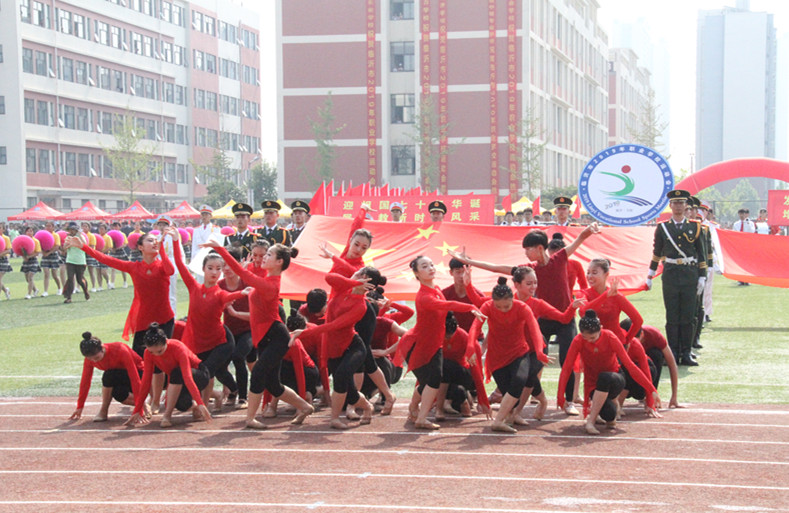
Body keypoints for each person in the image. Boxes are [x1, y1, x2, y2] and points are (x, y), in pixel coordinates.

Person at [449, 222, 601, 415]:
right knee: (529, 355)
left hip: (564, 318)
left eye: (528, 250)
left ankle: (568, 401)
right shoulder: (528, 269)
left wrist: (588, 230)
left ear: (539, 248)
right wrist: (471, 262)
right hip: (541, 318)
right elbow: (497, 268)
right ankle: (525, 392)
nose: (526, 254)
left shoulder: (560, 258)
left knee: (567, 359)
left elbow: (578, 240)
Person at [205, 239, 314, 429]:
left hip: (276, 337)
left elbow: (242, 273)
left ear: (279, 262)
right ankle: (305, 407)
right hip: (264, 337)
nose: (264, 257)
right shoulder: (265, 277)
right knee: (273, 385)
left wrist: (220, 250)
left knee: (257, 375)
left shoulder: (270, 284)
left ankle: (250, 419)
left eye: (269, 255)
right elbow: (248, 272)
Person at [66, 226, 174, 410]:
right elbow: (105, 259)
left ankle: (156, 401)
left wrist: (163, 246)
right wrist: (83, 247)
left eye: (156, 240)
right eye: (150, 240)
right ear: (140, 247)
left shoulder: (162, 265)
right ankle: (147, 399)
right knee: (142, 362)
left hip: (164, 319)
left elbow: (171, 269)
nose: (154, 242)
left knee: (160, 361)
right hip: (142, 322)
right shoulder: (133, 267)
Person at [395, 255, 485, 429]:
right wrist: (470, 307)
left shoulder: (436, 288)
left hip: (434, 344)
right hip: (420, 344)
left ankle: (415, 410)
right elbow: (446, 305)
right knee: (433, 380)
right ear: (417, 273)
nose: (430, 268)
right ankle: (420, 417)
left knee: (431, 380)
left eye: (431, 264)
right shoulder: (424, 296)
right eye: (424, 266)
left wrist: (468, 287)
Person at [168, 227, 250, 409]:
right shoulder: (194, 287)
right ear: (203, 269)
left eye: (218, 269)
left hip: (220, 340)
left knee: (208, 372)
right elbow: (180, 265)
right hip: (197, 339)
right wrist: (175, 241)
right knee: (219, 372)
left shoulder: (219, 292)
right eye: (210, 268)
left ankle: (204, 405)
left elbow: (229, 297)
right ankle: (229, 392)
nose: (215, 272)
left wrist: (242, 293)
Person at [290, 269, 378, 429]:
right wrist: (355, 282)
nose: (354, 276)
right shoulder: (341, 288)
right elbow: (330, 277)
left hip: (353, 346)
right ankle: (367, 407)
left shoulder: (361, 306)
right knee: (350, 393)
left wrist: (305, 332)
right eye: (356, 273)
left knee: (341, 376)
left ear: (368, 285)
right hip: (333, 347)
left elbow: (334, 326)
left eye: (360, 277)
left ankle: (335, 418)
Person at [557, 310, 662, 435]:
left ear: (600, 329)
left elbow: (630, 366)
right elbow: (566, 369)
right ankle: (610, 410)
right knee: (609, 415)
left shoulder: (610, 337)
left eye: (593, 337)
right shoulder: (578, 341)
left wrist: (651, 390)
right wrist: (560, 397)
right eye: (586, 337)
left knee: (604, 377)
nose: (589, 341)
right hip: (594, 384)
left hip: (615, 378)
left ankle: (590, 421)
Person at [467, 277, 546, 432]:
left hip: (519, 352)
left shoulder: (522, 307)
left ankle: (498, 421)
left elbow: (535, 330)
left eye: (506, 306)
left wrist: (539, 351)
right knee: (511, 397)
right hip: (497, 358)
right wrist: (470, 347)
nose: (503, 309)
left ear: (512, 299)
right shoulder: (487, 307)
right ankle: (509, 416)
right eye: (499, 306)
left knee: (519, 381)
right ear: (493, 302)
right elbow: (475, 327)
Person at [645, 189, 707, 366]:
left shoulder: (695, 227)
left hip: (689, 273)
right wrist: (650, 274)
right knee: (672, 316)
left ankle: (686, 352)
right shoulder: (663, 227)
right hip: (671, 273)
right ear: (670, 206)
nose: (678, 206)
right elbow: (657, 253)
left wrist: (702, 277)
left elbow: (701, 254)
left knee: (688, 316)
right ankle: (672, 352)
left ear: (686, 205)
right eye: (675, 203)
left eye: (681, 203)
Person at [127, 323, 212, 428]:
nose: (157, 355)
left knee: (177, 372)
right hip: (178, 378)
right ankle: (204, 401)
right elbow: (146, 381)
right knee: (181, 404)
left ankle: (167, 416)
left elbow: (188, 377)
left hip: (199, 374)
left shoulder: (178, 348)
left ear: (166, 342)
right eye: (152, 352)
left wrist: (201, 403)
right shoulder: (147, 353)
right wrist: (137, 410)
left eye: (160, 351)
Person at [69, 331, 146, 422]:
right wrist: (80, 407)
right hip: (120, 379)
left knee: (108, 375)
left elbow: (135, 379)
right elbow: (85, 382)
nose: (94, 361)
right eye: (90, 359)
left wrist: (139, 410)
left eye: (96, 358)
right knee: (118, 394)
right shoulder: (89, 360)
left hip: (140, 374)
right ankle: (144, 404)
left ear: (102, 348)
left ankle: (104, 410)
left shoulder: (120, 349)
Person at [217, 246, 253, 408]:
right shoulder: (219, 285)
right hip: (228, 331)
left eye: (230, 264)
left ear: (238, 264)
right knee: (217, 364)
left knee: (239, 357)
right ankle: (233, 389)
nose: (226, 268)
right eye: (222, 265)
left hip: (249, 330)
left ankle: (243, 398)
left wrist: (235, 312)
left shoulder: (248, 284)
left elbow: (257, 315)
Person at [620, 319, 680, 409]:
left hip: (641, 372)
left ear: (642, 335)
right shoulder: (615, 339)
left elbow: (672, 364)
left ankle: (649, 395)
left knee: (656, 354)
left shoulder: (653, 335)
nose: (632, 345)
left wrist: (673, 396)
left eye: (634, 341)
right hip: (625, 372)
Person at [62, 223, 90, 304]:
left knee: (80, 279)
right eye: (70, 230)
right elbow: (64, 248)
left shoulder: (81, 237)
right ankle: (68, 297)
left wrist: (80, 235)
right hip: (70, 261)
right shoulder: (68, 238)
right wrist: (68, 245)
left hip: (80, 261)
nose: (71, 231)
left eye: (73, 230)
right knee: (70, 278)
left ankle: (85, 291)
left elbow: (85, 244)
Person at [191, 205, 220, 270]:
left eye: (206, 215)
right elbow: (194, 246)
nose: (204, 217)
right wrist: (192, 259)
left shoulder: (216, 229)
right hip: (198, 256)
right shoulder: (196, 230)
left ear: (210, 216)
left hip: (210, 256)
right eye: (203, 215)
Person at [39, 221, 63, 296]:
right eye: (46, 226)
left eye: (49, 226)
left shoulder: (55, 235)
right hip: (45, 255)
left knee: (54, 274)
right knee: (46, 273)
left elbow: (57, 246)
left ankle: (59, 288)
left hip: (53, 255)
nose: (48, 227)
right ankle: (45, 291)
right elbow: (39, 243)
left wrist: (48, 253)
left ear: (53, 227)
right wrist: (43, 252)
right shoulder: (43, 235)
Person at [108, 221, 128, 289]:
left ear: (120, 227)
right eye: (114, 226)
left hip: (121, 252)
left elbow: (125, 244)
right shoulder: (110, 234)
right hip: (113, 252)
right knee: (113, 268)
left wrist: (119, 247)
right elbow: (109, 243)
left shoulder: (123, 234)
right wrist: (112, 249)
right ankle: (112, 284)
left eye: (117, 226)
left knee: (123, 268)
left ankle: (125, 282)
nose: (115, 227)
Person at [0, 223, 12, 299]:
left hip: (3, 260)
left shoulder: (6, 238)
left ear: (3, 230)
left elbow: (9, 250)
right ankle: (5, 290)